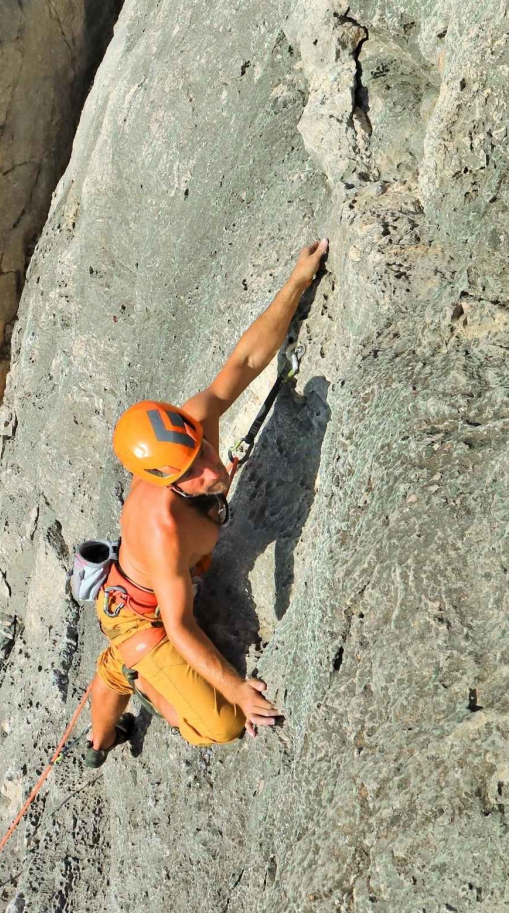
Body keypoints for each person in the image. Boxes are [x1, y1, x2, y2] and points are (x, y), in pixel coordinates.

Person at [85, 238, 329, 765]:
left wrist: (296, 283)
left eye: (203, 451)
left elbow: (245, 359)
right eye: (192, 473)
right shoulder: (163, 529)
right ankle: (126, 673)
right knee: (220, 725)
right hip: (143, 619)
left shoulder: (193, 426)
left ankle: (123, 678)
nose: (213, 470)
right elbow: (179, 626)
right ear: (165, 481)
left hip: (156, 588)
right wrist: (237, 689)